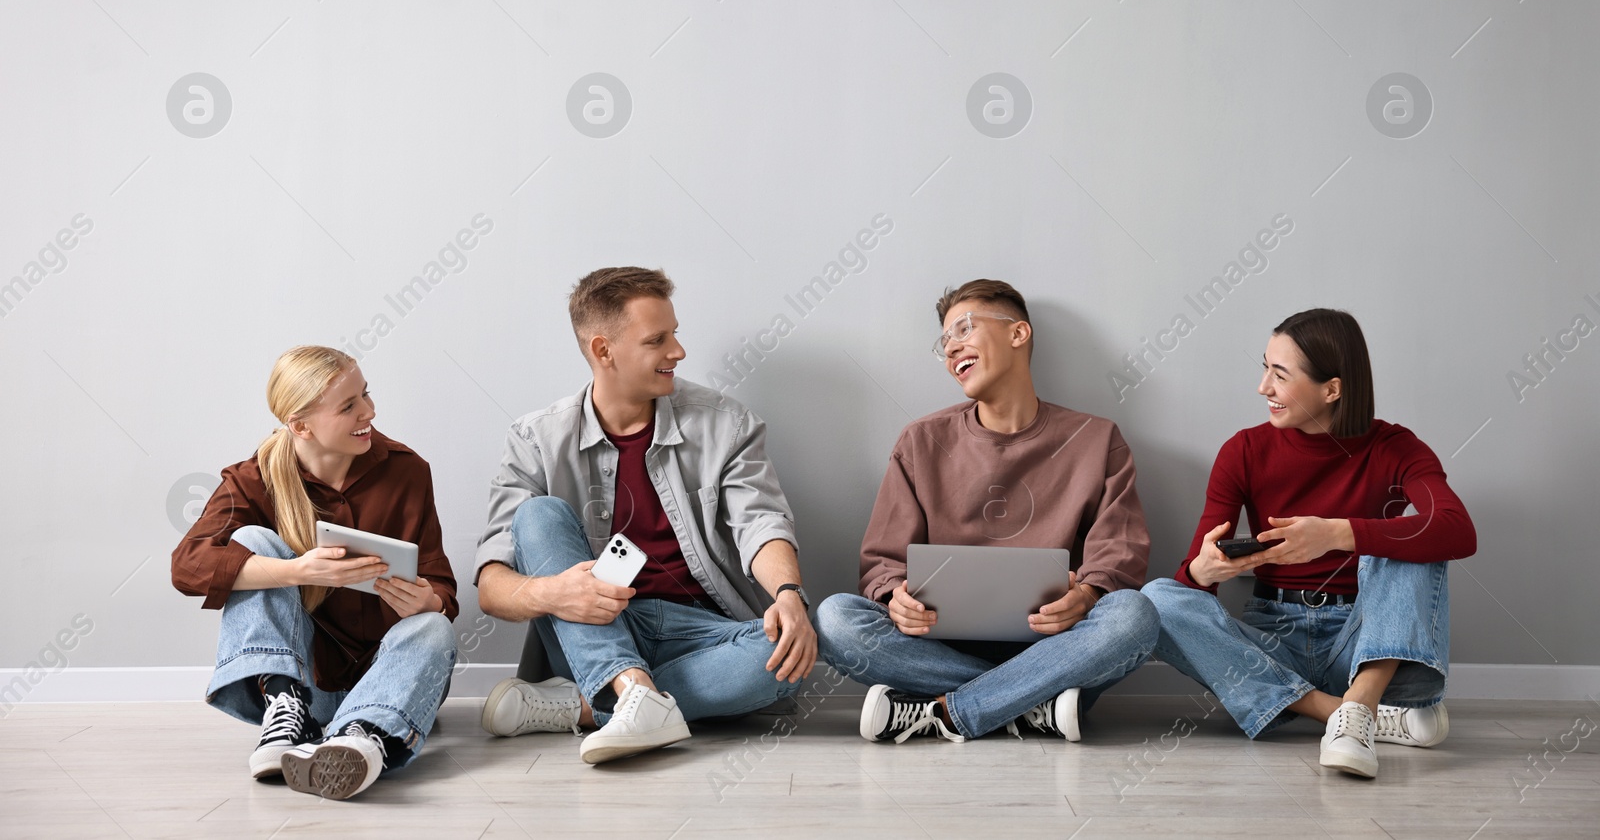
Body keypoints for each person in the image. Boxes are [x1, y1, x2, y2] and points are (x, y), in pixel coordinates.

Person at [472, 267, 817, 764]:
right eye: (658, 339)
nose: (678, 351)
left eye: (675, 334)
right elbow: (491, 585)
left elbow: (760, 524)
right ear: (602, 350)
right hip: (594, 624)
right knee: (538, 515)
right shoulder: (535, 439)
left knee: (794, 648)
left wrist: (788, 594)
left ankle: (587, 706)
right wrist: (554, 592)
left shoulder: (728, 424)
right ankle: (626, 684)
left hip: (700, 632)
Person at [815, 279, 1160, 744]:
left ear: (1019, 334)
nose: (951, 347)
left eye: (964, 329)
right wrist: (894, 595)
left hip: (1059, 644)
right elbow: (882, 560)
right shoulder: (921, 440)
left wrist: (1089, 594)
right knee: (837, 619)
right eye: (944, 342)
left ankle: (950, 710)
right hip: (940, 645)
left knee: (1133, 615)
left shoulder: (1097, 439)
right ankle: (1032, 707)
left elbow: (1118, 551)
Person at [1141, 308, 1477, 778]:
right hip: (1271, 639)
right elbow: (1192, 590)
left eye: (1280, 374)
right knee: (1156, 599)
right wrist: (1203, 571)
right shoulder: (1244, 451)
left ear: (1332, 389)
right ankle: (1345, 714)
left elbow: (1458, 529)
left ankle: (1360, 703)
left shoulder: (1395, 448)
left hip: (1361, 645)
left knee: (1416, 542)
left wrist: (1338, 532)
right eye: (1265, 368)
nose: (1264, 387)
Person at [171, 346, 458, 800]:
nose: (369, 411)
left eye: (365, 394)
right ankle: (286, 716)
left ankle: (361, 740)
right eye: (349, 406)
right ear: (301, 425)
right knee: (253, 544)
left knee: (434, 627)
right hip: (310, 685)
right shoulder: (255, 478)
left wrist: (431, 600)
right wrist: (294, 571)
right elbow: (187, 565)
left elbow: (441, 580)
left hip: (391, 678)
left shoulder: (408, 471)